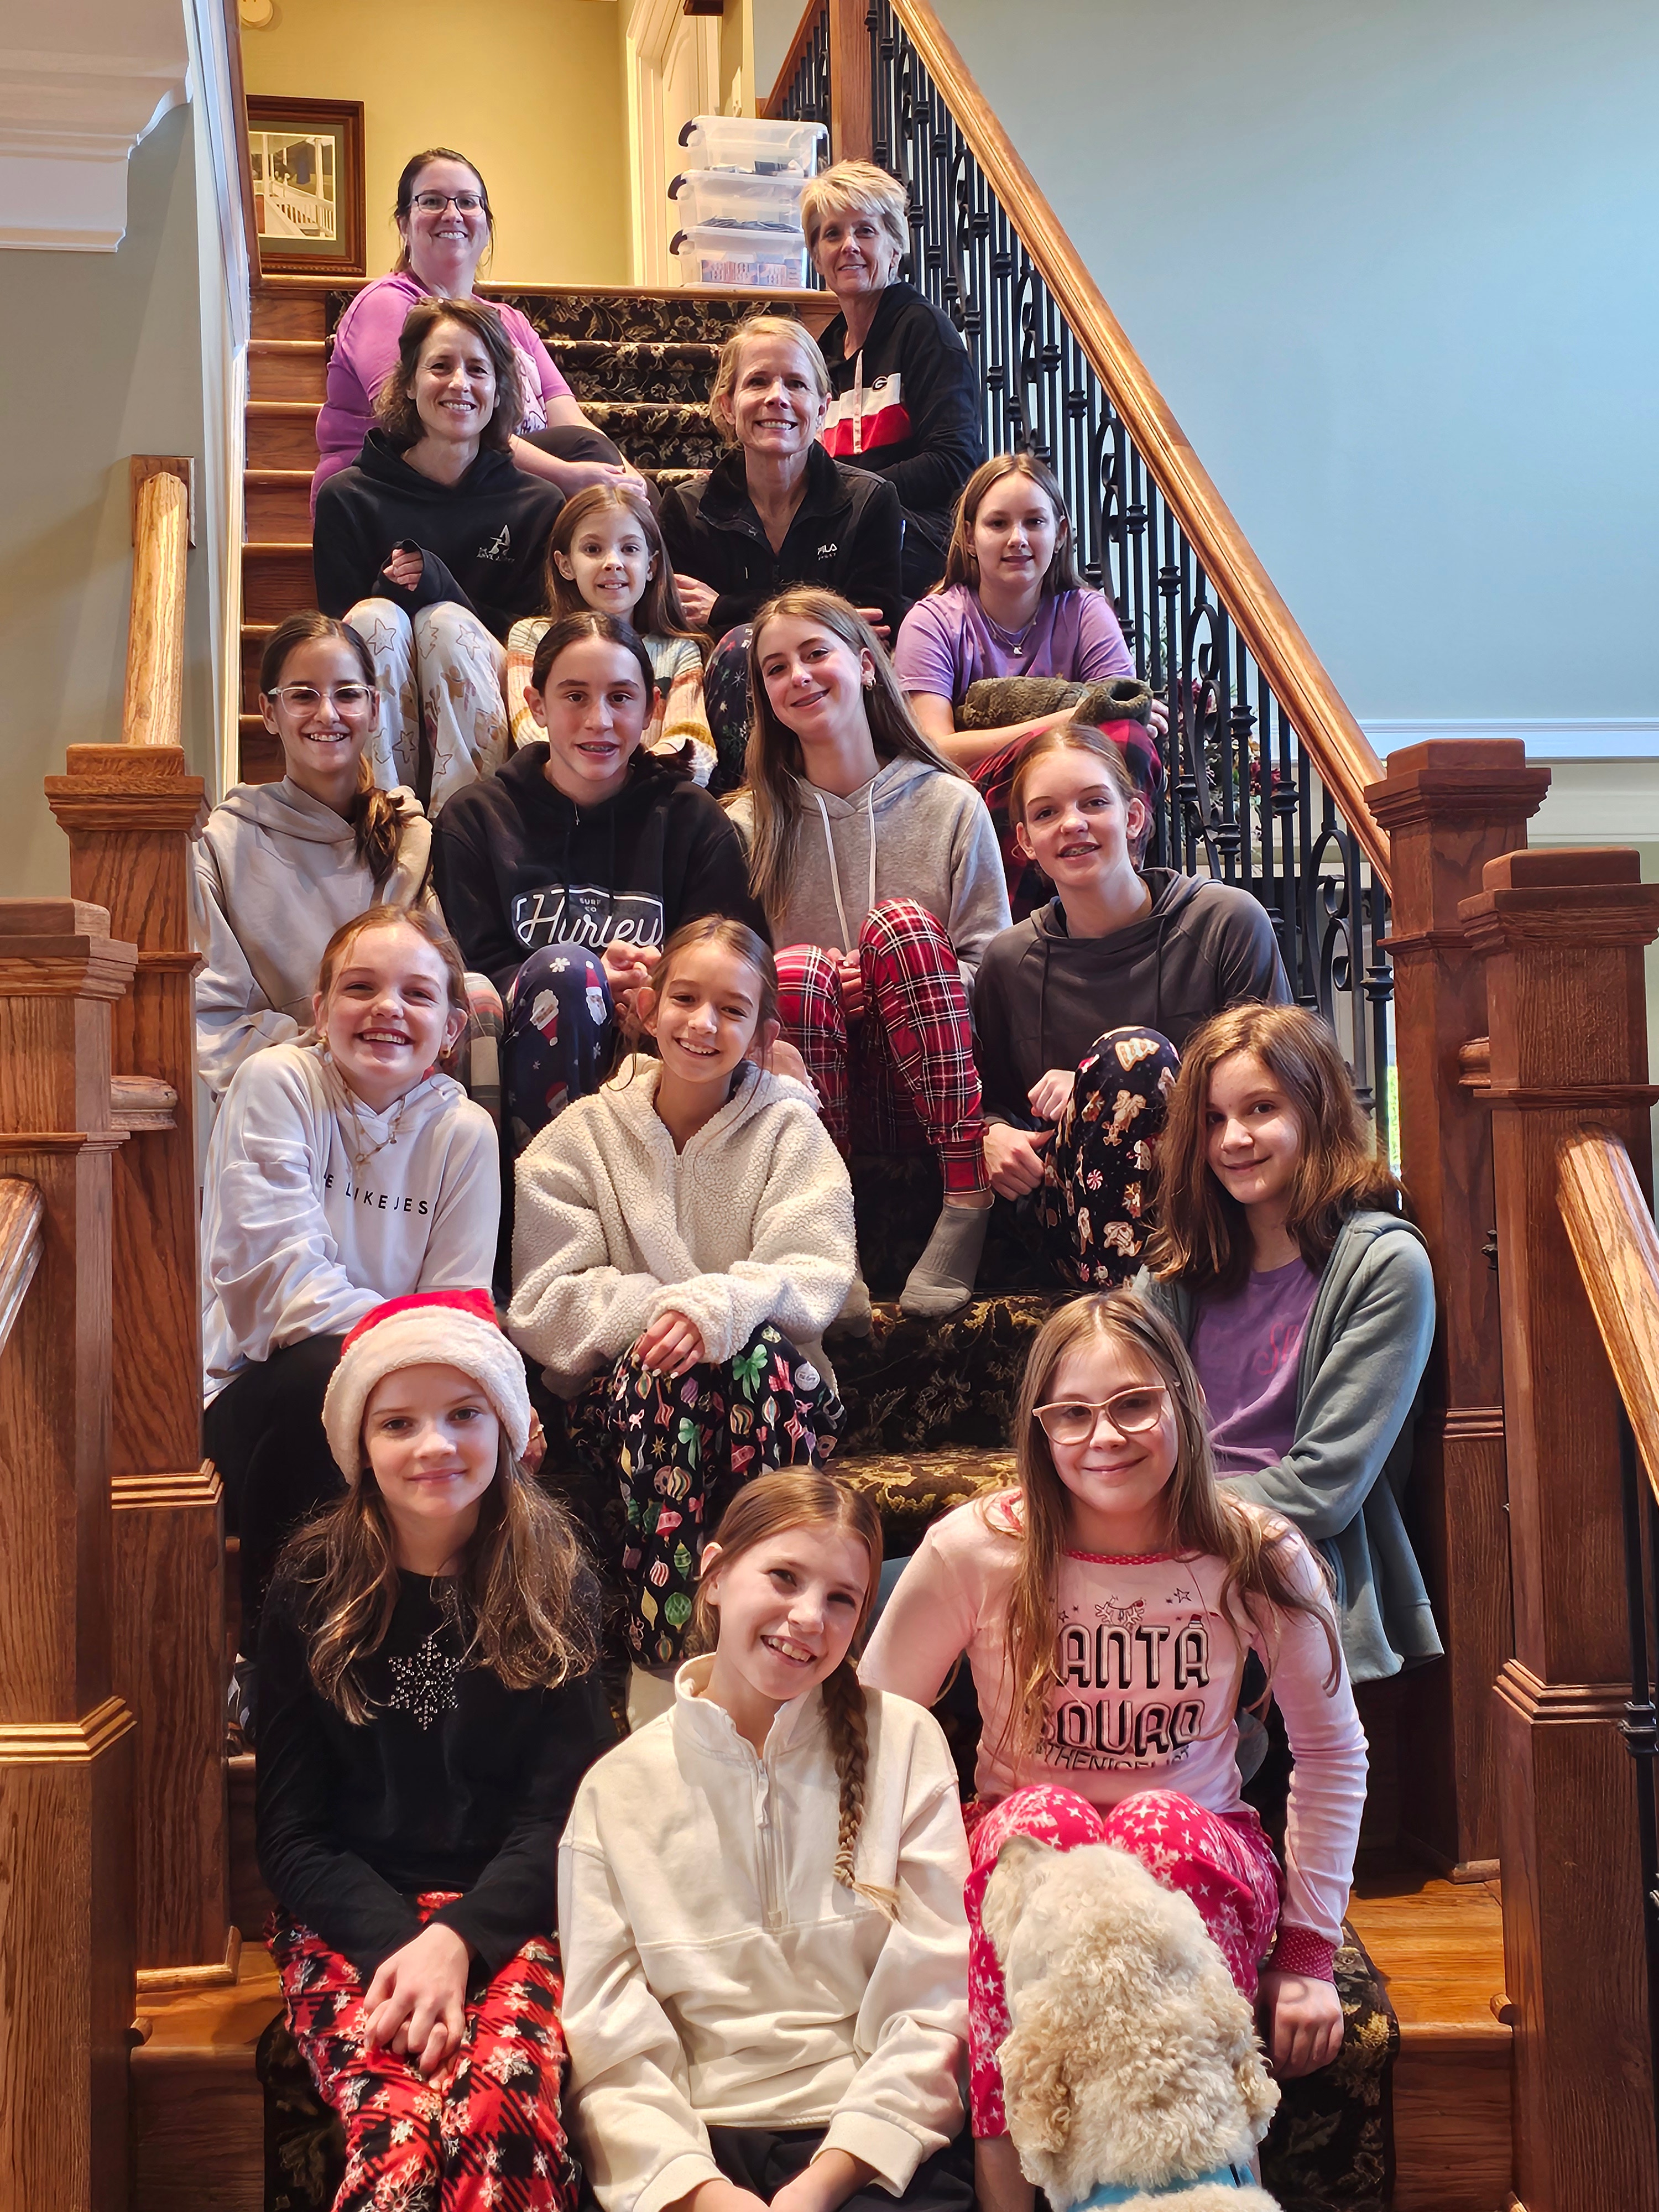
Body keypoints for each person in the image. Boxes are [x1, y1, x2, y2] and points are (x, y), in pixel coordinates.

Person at [862, 1290, 1366, 2212]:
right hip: (1027, 1855)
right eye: (1073, 1414)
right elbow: (872, 1730)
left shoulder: (1259, 1553)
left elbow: (1333, 1752)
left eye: (1135, 1403)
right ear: (1041, 1429)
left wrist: (1307, 1956)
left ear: (1187, 1402)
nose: (1105, 1436)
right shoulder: (977, 1549)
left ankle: (1205, 2178)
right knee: (1036, 1831)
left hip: (1199, 1848)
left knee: (1155, 1826)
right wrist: (886, 1911)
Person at [257, 1287, 612, 2210]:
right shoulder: (310, 1585)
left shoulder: (554, 1578)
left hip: (511, 1911)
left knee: (500, 2105)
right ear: (360, 1446)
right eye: (398, 1423)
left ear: (505, 1428)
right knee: (401, 2129)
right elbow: (292, 1836)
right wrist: (405, 1946)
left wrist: (459, 1939)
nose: (434, 1446)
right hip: (351, 1915)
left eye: (464, 1415)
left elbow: (563, 1818)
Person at [558, 1472, 973, 2212]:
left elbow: (936, 2001)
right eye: (784, 1577)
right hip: (692, 2154)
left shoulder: (906, 1743)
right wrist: (705, 2195)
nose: (809, 1617)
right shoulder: (615, 1791)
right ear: (715, 1575)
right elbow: (610, 2044)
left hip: (873, 2145)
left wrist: (822, 2184)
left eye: (842, 1599)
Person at [508, 918, 854, 1713]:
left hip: (774, 1400)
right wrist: (671, 1317)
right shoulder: (582, 1137)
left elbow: (816, 1270)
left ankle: (773, 1632)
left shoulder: (789, 1128)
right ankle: (665, 1666)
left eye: (732, 1010)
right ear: (648, 1008)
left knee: (750, 1353)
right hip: (629, 1408)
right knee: (671, 1370)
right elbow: (545, 1303)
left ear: (762, 1035)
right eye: (686, 1000)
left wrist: (717, 1312)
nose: (704, 1024)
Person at [202, 906, 498, 1668]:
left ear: (451, 1029)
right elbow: (278, 1291)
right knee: (321, 1372)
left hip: (399, 1394)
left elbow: (462, 1310)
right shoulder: (276, 1083)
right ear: (321, 1009)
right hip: (252, 1392)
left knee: (476, 1422)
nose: (387, 1008)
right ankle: (276, 1670)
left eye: (417, 994)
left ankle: (435, 1672)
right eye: (360, 988)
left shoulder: (467, 1133)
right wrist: (414, 1346)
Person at [1136, 1003, 1440, 1683]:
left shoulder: (1385, 1265)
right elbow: (1116, 1410)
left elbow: (1323, 1488)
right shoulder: (1180, 1264)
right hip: (1159, 1535)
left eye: (1261, 1108)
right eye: (1213, 1118)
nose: (1233, 1139)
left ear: (1316, 1109)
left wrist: (1149, 1513)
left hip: (1286, 1560)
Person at [731, 589, 1011, 1323]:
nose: (798, 676)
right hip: (809, 1086)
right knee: (795, 973)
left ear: (863, 664)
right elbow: (729, 992)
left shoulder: (950, 803)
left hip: (936, 1086)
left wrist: (891, 981)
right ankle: (828, 1231)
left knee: (901, 927)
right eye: (776, 668)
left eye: (815, 653)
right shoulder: (748, 824)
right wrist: (824, 986)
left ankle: (967, 1193)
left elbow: (995, 972)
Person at [432, 612, 765, 1153]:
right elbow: (468, 969)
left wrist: (659, 985)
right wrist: (589, 981)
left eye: (620, 698)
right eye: (575, 697)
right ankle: (546, 1192)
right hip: (527, 1068)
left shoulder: (692, 818)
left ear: (651, 709)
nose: (599, 720)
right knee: (569, 974)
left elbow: (737, 951)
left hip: (666, 1052)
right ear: (537, 705)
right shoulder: (476, 819)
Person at [974, 718, 1290, 1287]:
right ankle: (1129, 1317)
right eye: (1046, 813)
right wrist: (992, 1134)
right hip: (1069, 1228)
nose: (1072, 823)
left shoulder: (1226, 922)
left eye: (1094, 802)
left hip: (1216, 1199)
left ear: (1134, 816)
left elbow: (1278, 1085)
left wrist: (1098, 1088)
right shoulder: (1008, 961)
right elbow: (990, 1101)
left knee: (1130, 1058)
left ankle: (1148, 1315)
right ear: (1024, 841)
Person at [314, 296, 568, 814]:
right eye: (440, 366)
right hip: (382, 700)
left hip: (486, 690)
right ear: (409, 383)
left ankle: (466, 826)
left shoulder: (539, 503)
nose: (459, 384)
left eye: (478, 370)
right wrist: (388, 592)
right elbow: (333, 644)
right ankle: (381, 819)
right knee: (373, 617)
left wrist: (443, 590)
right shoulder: (348, 497)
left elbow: (534, 641)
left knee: (444, 624)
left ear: (499, 389)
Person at [312, 145, 640, 511]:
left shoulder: (509, 321)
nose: (452, 214)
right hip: (395, 495)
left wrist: (625, 475)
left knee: (616, 477)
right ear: (404, 224)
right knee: (585, 463)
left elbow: (566, 415)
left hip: (503, 485)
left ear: (486, 226)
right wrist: (565, 475)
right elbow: (430, 422)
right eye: (432, 201)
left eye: (468, 202)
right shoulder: (385, 304)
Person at [194, 612, 434, 1099]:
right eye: (303, 695)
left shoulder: (410, 835)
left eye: (347, 694)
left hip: (401, 1094)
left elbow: (436, 988)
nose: (327, 714)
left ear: (374, 709)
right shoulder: (223, 843)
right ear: (268, 712)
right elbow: (213, 1017)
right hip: (283, 1097)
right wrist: (328, 1055)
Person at [660, 315, 905, 790]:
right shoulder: (686, 510)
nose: (777, 397)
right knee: (738, 653)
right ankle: (750, 805)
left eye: (796, 383)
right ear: (728, 405)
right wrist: (826, 620)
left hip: (839, 704)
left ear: (822, 407)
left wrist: (725, 608)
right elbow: (686, 637)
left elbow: (873, 633)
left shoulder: (870, 501)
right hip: (726, 706)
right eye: (758, 382)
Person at [804, 160, 984, 601]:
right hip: (842, 527)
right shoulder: (821, 355)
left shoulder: (924, 330)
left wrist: (854, 495)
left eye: (865, 231)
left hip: (921, 533)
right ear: (817, 256)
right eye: (832, 234)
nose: (849, 246)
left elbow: (955, 460)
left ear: (894, 248)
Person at [505, 484, 714, 781]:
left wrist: (627, 776)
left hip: (649, 797)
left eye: (629, 549)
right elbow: (531, 730)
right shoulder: (532, 637)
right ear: (565, 565)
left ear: (651, 566)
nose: (613, 563)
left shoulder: (679, 650)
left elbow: (692, 742)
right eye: (593, 549)